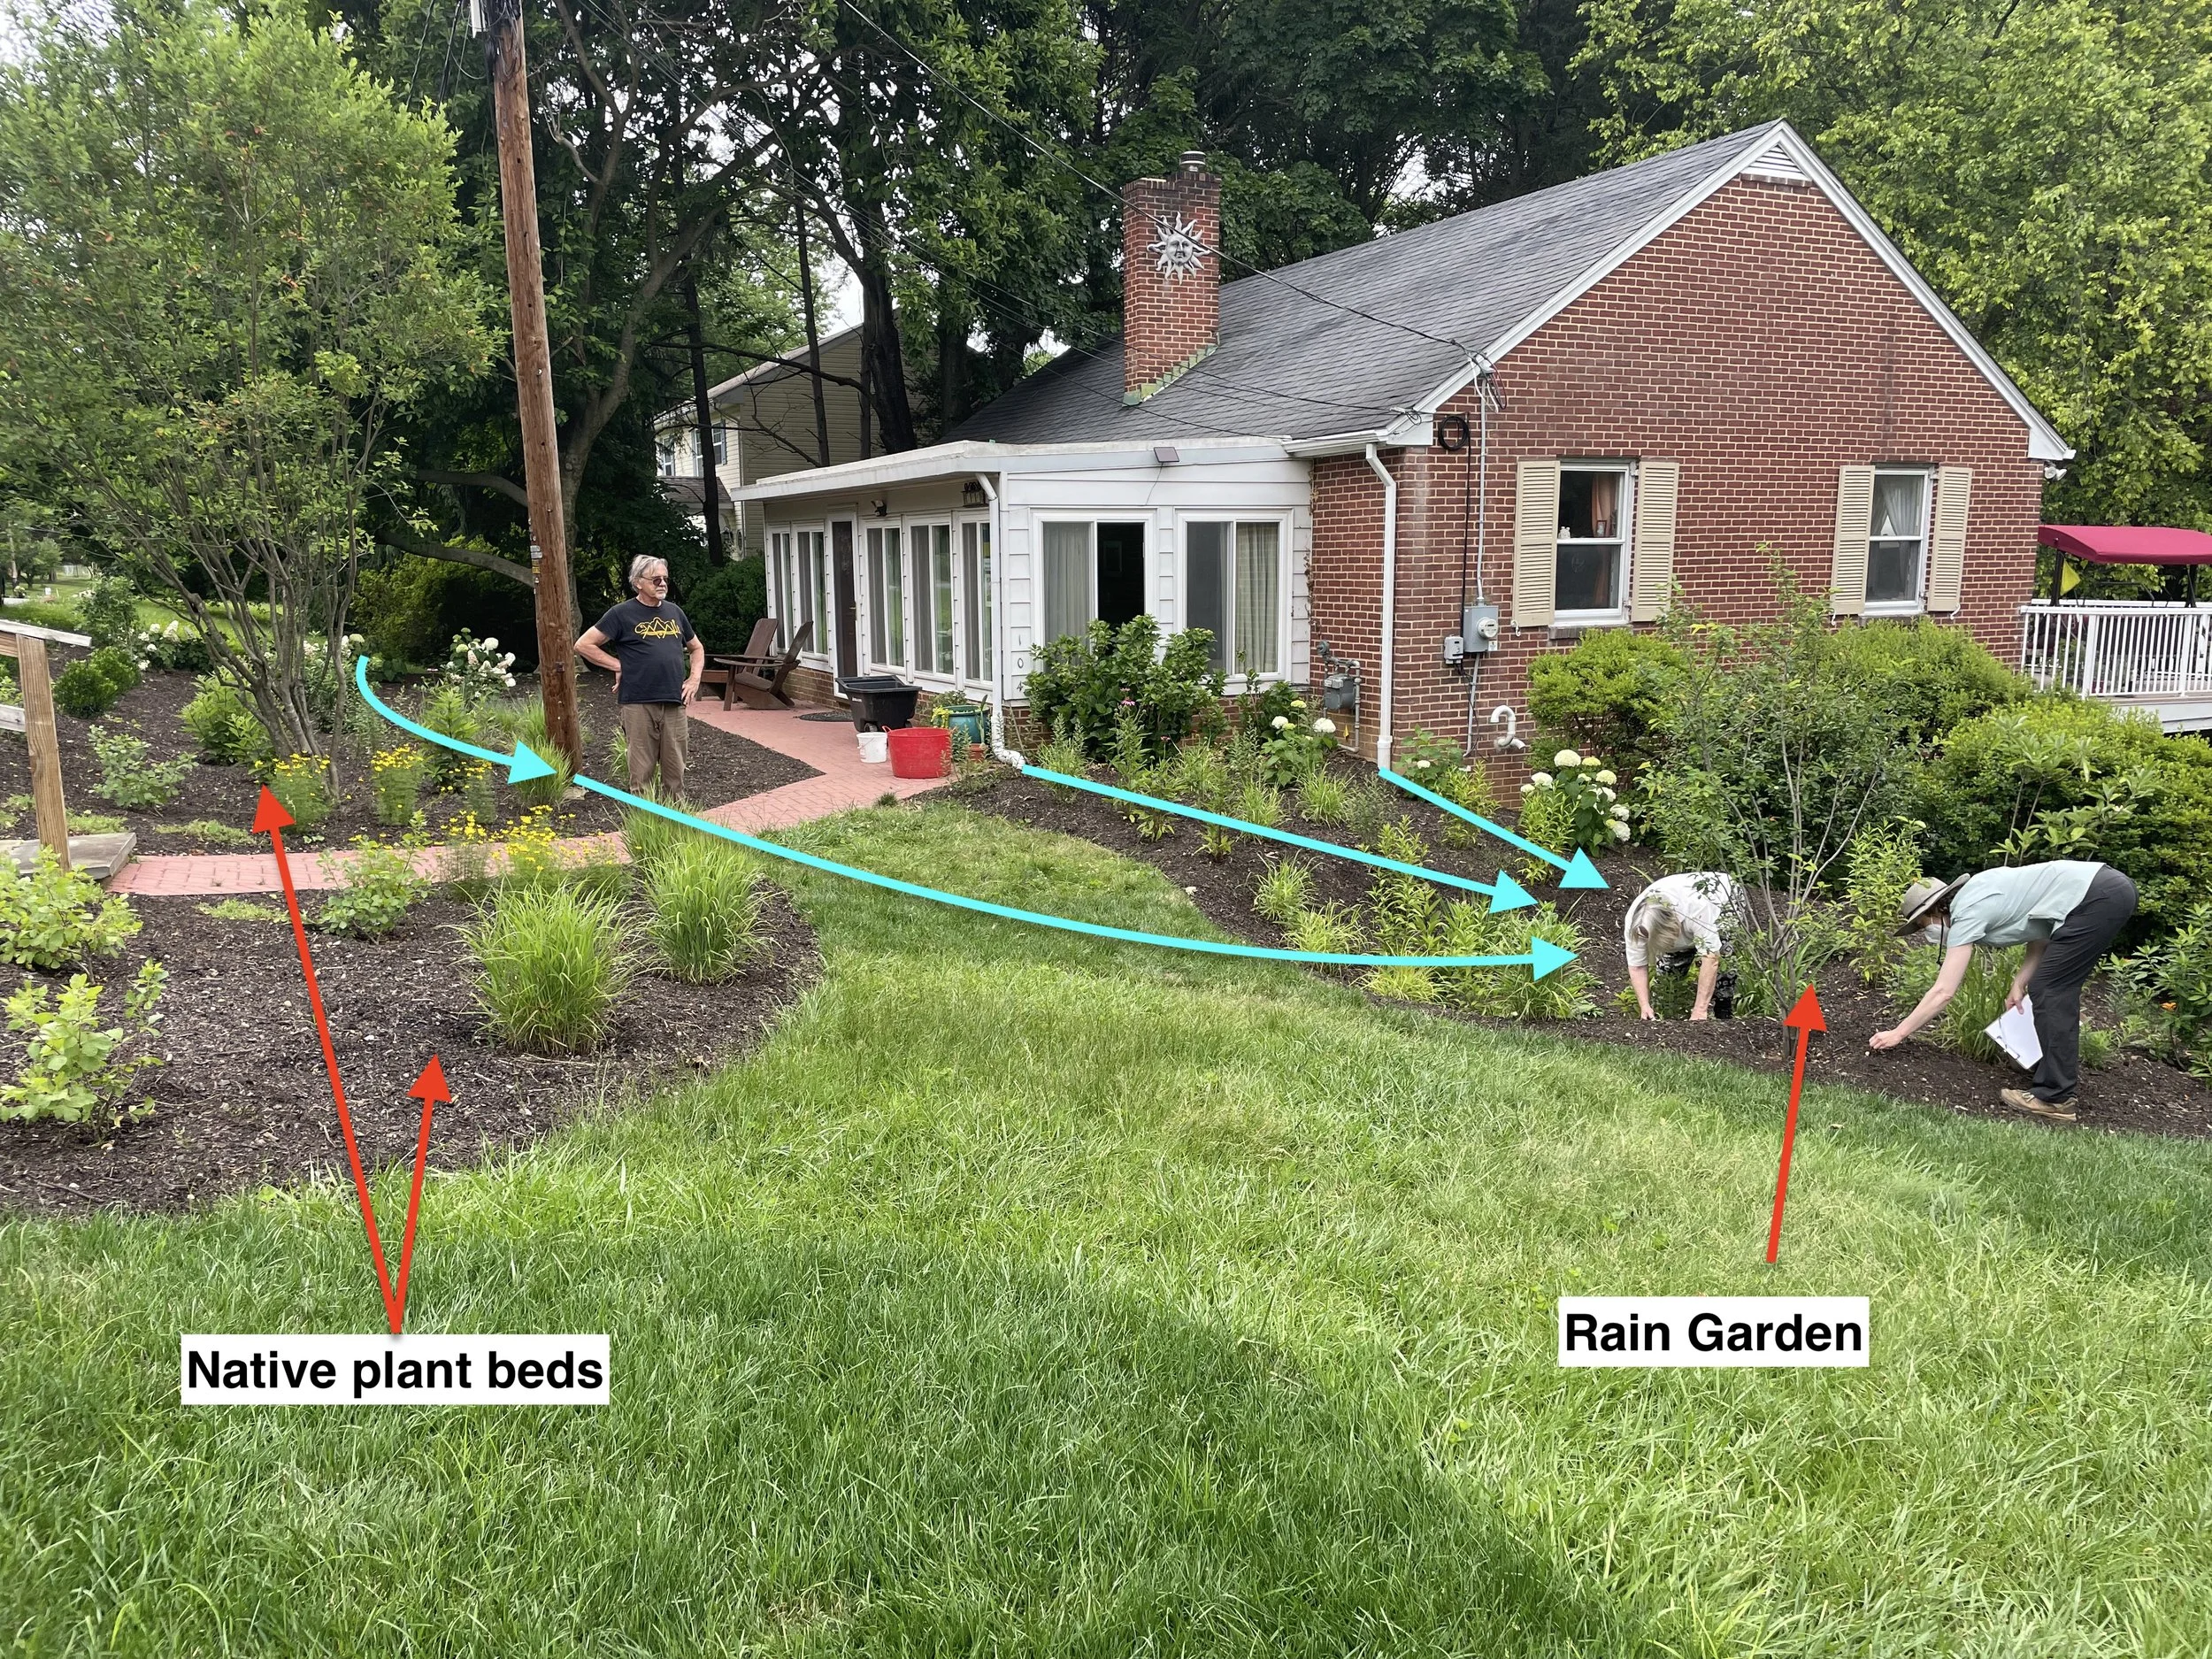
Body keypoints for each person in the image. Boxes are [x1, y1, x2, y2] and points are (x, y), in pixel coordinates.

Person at [1872, 860, 2138, 1124]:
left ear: (1936, 909)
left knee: (2053, 991)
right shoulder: (1977, 890)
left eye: (1920, 924)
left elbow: (1944, 991)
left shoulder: (1967, 911)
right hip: (2107, 890)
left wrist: (1899, 1033)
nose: (1924, 932)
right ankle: (2048, 1076)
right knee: (2049, 988)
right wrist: (2021, 981)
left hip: (2095, 897)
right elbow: (2043, 927)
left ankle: (2055, 1098)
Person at [575, 556, 704, 799]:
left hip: (674, 702)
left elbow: (697, 648)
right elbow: (583, 645)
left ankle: (675, 826)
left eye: (665, 579)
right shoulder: (621, 614)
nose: (663, 584)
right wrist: (618, 664)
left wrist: (694, 679)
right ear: (638, 582)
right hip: (638, 702)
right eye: (656, 579)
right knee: (641, 774)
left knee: (675, 774)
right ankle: (644, 828)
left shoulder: (674, 612)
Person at [1624, 872, 1739, 1020]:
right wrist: (1644, 1006)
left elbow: (1711, 957)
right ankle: (1668, 1011)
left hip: (1723, 897)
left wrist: (1700, 1011)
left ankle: (1723, 1010)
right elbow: (1637, 966)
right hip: (1679, 918)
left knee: (1723, 952)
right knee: (1668, 978)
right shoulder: (1637, 923)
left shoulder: (1698, 908)